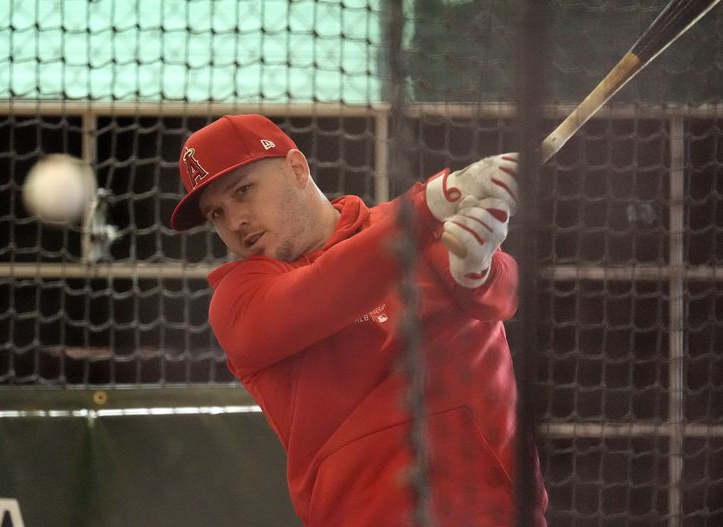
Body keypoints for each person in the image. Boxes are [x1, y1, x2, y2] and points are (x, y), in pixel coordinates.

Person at [171, 114, 547, 526]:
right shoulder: (239, 298)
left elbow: (505, 297)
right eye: (216, 214)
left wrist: (480, 270)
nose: (234, 222)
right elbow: (322, 293)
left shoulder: (411, 227)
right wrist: (435, 201)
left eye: (243, 191)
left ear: (296, 168)